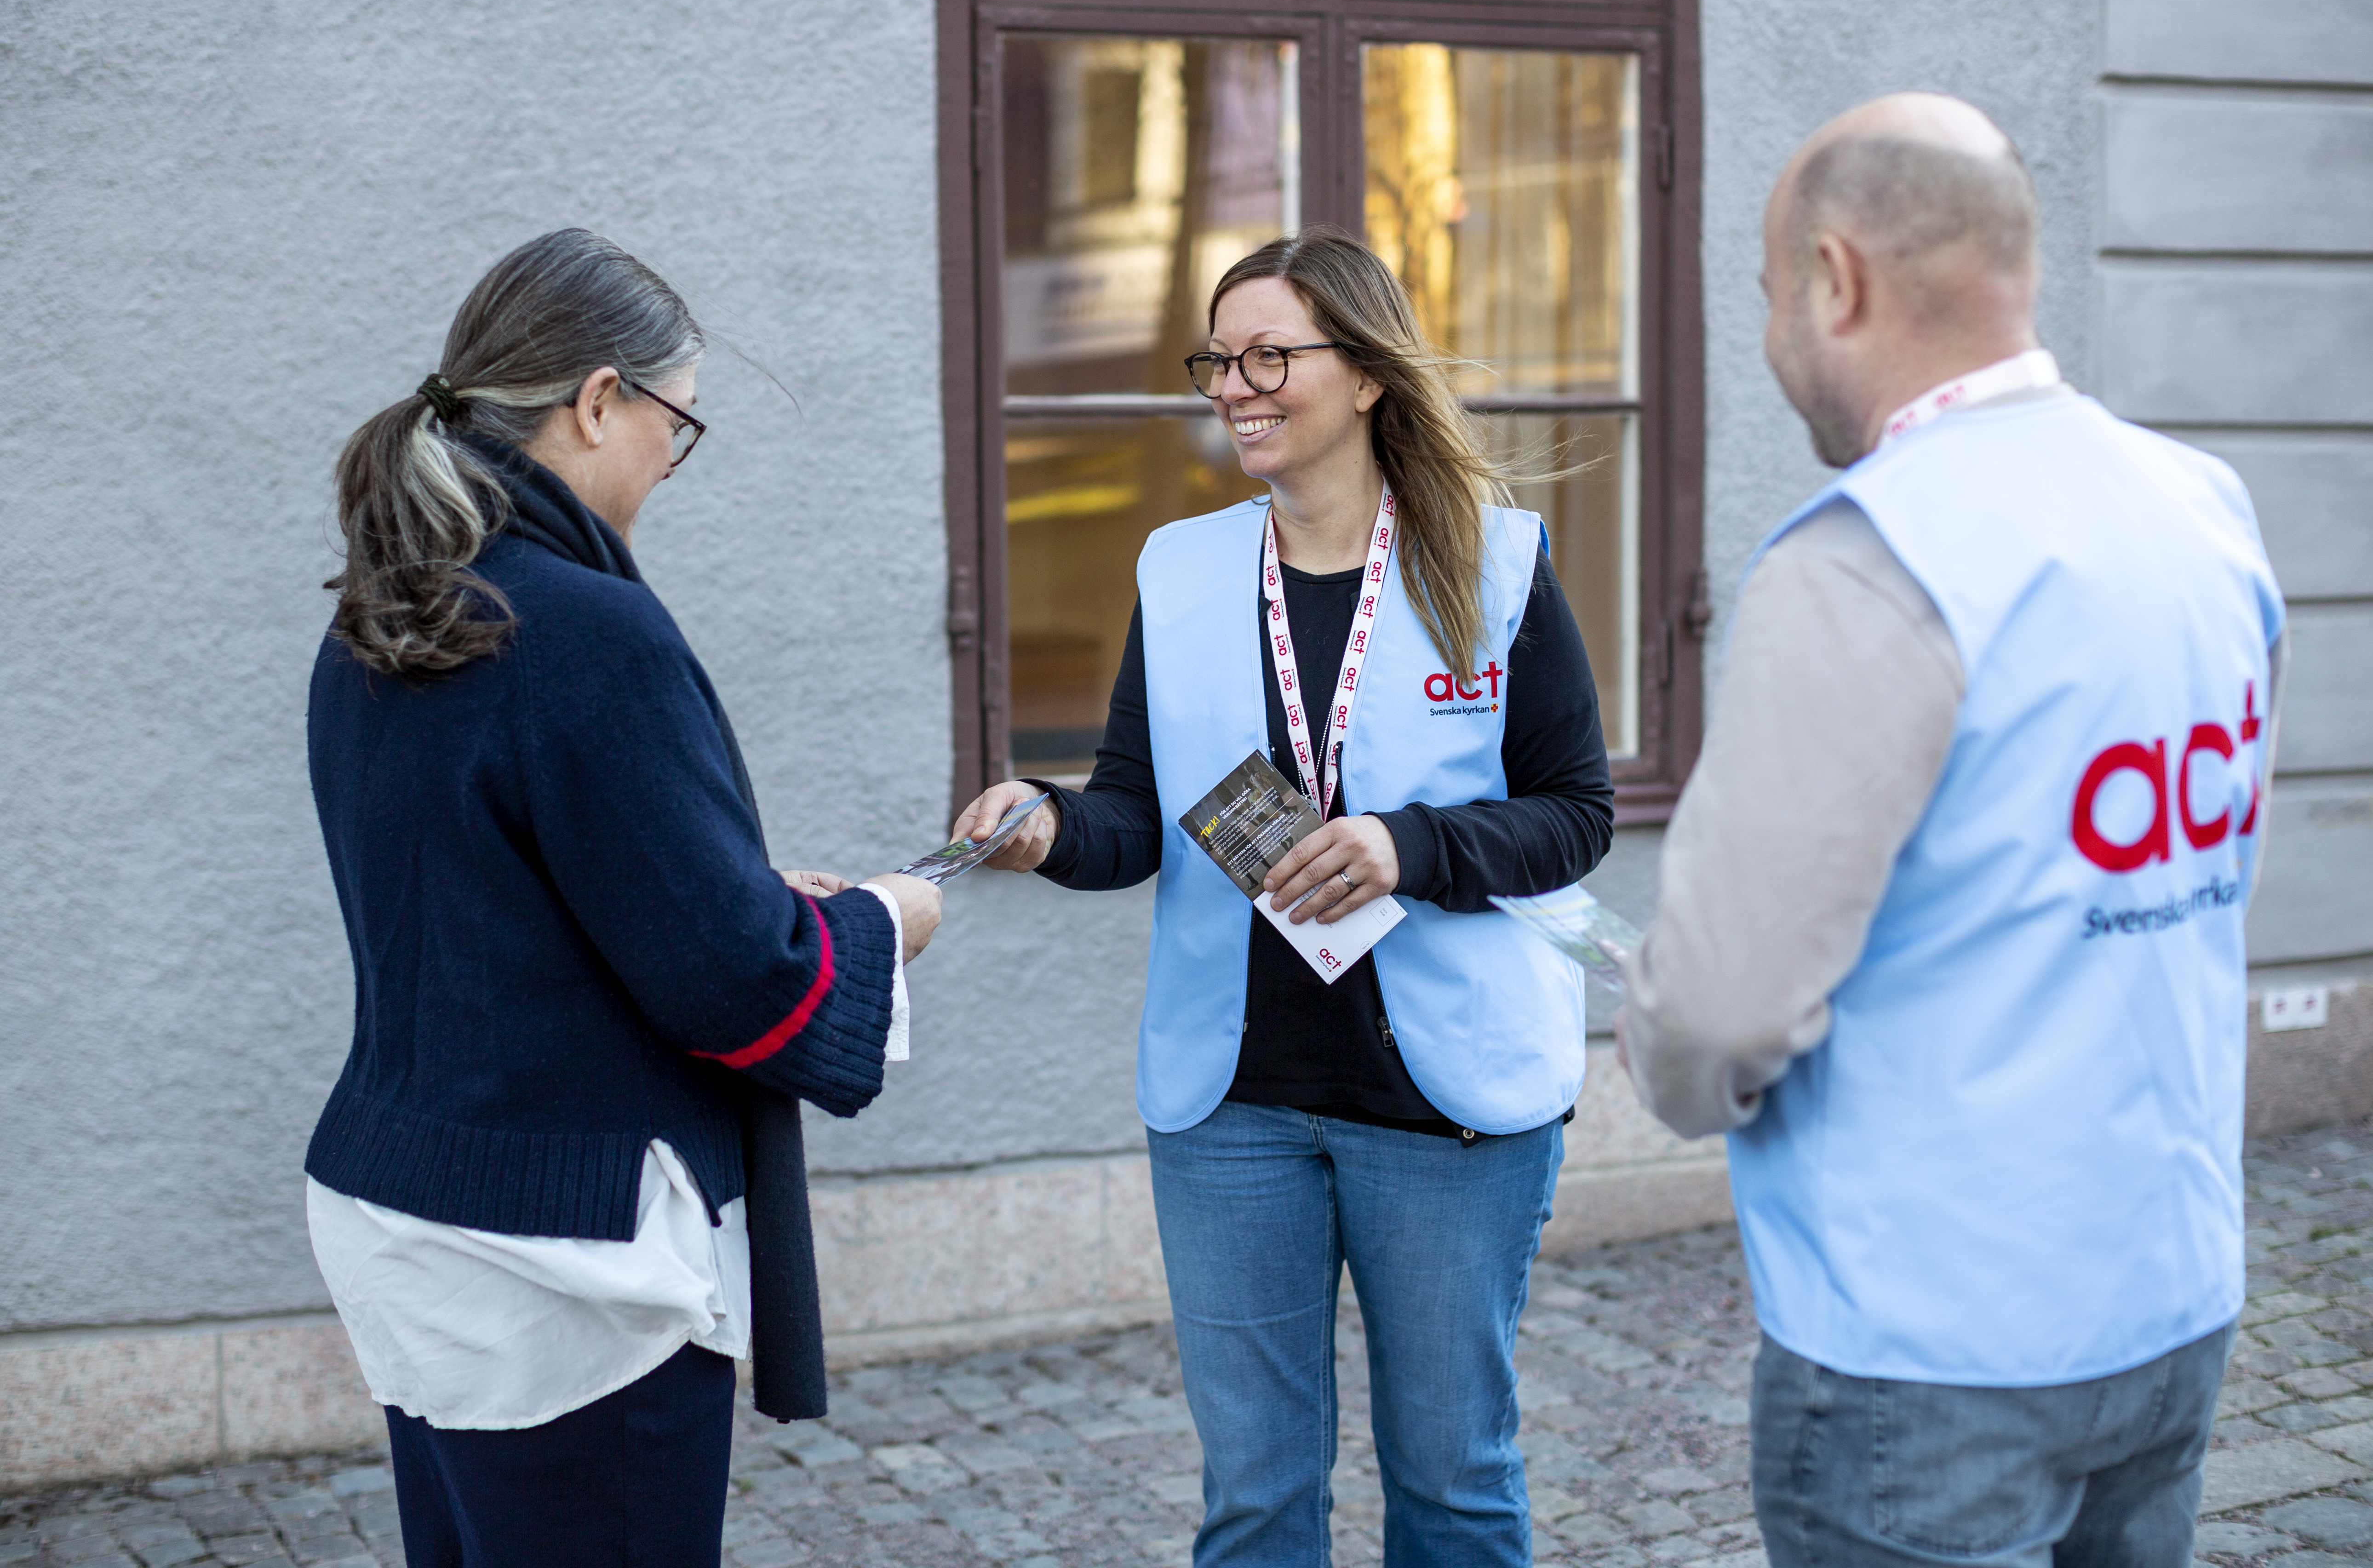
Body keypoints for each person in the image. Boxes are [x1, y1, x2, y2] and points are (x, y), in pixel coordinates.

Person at [1618, 95, 2287, 1566]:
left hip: (1931, 1337)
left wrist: (1656, 1048)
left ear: (1839, 280)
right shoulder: (2203, 510)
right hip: (2169, 1291)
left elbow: (1718, 1015)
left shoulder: (1869, 559)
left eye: (1771, 294)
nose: (1776, 336)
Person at [956, 226, 1615, 1565]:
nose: (1236, 386)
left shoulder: (1495, 564)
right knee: (1255, 1497)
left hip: (1448, 1112)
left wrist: (1404, 849)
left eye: (1272, 356)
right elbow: (1135, 815)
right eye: (1219, 358)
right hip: (1232, 1110)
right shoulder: (1182, 570)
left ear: (1366, 374)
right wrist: (1047, 828)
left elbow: (1577, 818)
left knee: (1454, 1483)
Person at [303, 228, 941, 1568]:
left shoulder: (387, 610)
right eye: (676, 422)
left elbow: (494, 889)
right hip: (569, 1249)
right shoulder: (587, 627)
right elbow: (738, 979)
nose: (669, 459)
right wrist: (884, 919)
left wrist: (731, 885)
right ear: (600, 399)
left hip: (410, 1204)